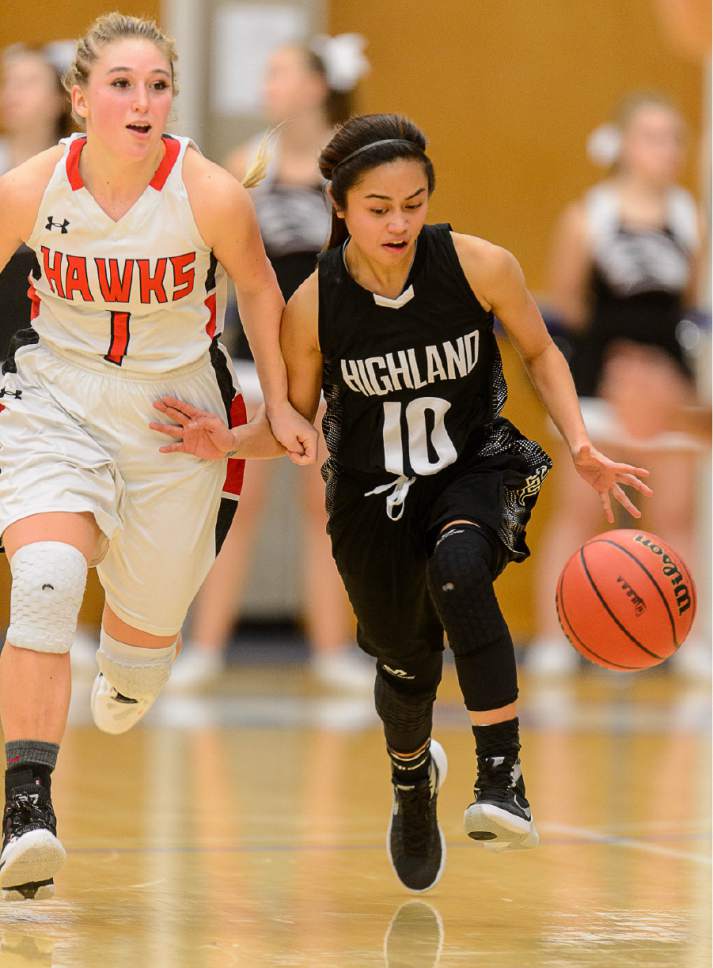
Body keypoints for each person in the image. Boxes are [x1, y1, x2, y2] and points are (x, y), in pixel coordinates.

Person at [152, 113, 652, 892]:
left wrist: (579, 440)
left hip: (474, 465)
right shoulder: (315, 306)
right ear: (341, 207)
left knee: (459, 568)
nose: (398, 222)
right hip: (371, 498)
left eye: (413, 204)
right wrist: (225, 442)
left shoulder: (478, 265)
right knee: (406, 670)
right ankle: (411, 783)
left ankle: (500, 777)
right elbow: (293, 422)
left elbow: (541, 348)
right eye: (379, 207)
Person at [0, 12, 315, 901]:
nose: (142, 102)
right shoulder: (30, 187)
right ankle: (27, 811)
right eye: (121, 84)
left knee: (138, 657)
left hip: (175, 415)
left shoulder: (209, 191)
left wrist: (282, 404)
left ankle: (135, 661)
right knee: (49, 577)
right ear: (80, 99)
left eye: (157, 86)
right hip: (54, 396)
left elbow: (259, 289)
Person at [170, 35, 371, 692]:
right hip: (252, 358)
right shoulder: (246, 160)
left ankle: (331, 652)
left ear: (317, 85)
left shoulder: (356, 166)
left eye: (281, 72)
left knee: (325, 506)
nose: (268, 84)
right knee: (240, 500)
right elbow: (221, 267)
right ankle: (204, 649)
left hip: (331, 361)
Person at [530, 92, 707, 676]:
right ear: (626, 145)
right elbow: (567, 309)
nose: (667, 150)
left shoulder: (689, 217)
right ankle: (557, 639)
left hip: (668, 390)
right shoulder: (590, 216)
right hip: (598, 385)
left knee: (675, 515)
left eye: (675, 138)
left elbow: (688, 306)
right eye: (653, 137)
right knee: (579, 514)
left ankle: (686, 639)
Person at [0, 42, 74, 359]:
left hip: (59, 341)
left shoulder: (80, 172)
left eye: (28, 82)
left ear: (61, 99)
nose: (13, 92)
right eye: (7, 82)